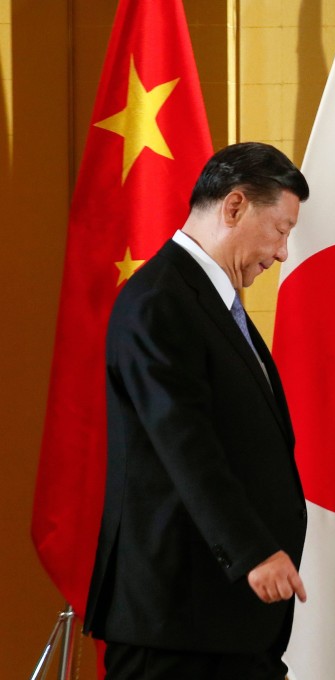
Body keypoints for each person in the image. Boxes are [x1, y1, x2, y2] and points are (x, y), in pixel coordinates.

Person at [84, 142, 311, 680]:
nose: (282, 253)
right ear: (234, 206)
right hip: (175, 623)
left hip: (226, 622)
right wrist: (254, 549)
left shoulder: (215, 304)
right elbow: (185, 442)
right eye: (280, 230)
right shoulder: (161, 300)